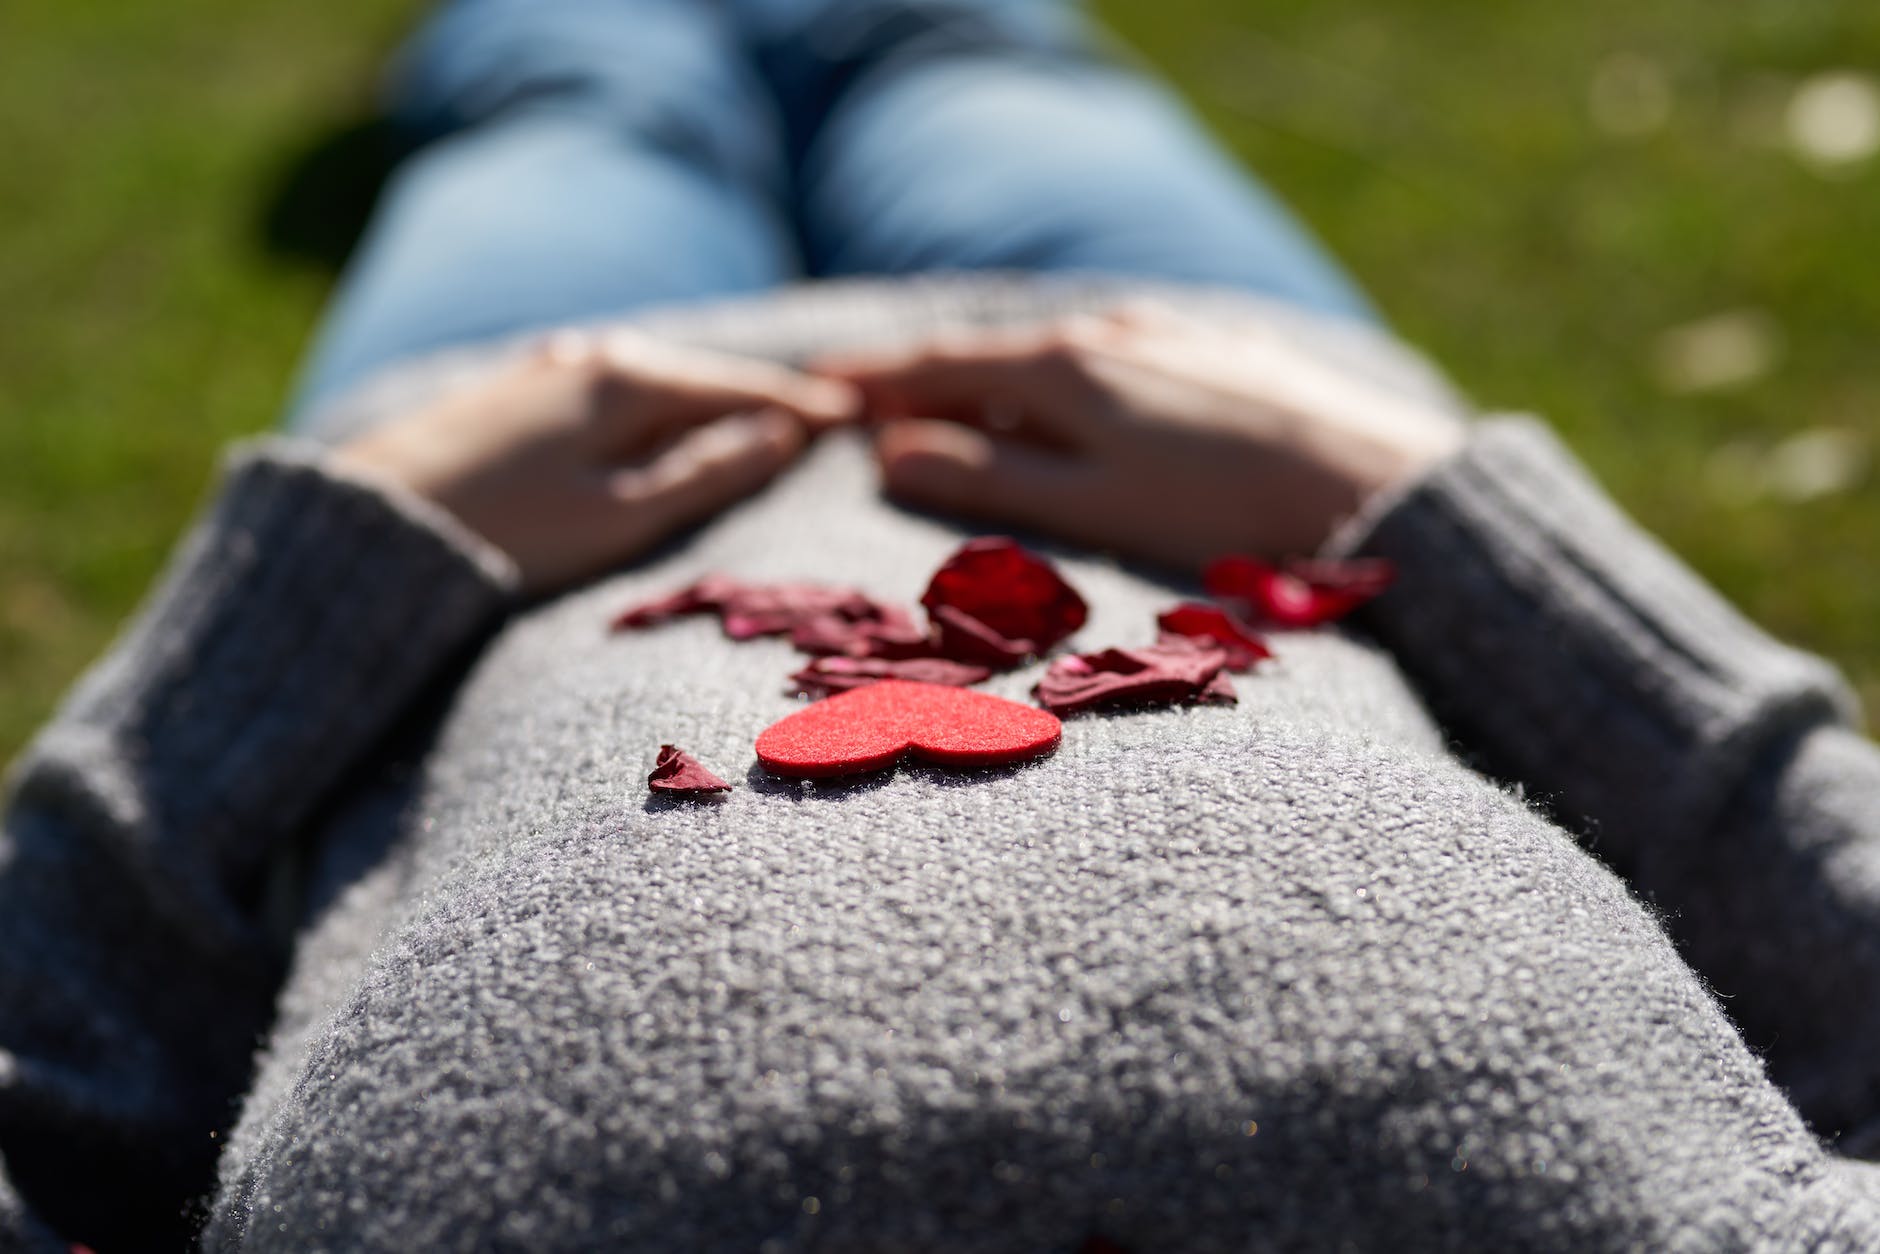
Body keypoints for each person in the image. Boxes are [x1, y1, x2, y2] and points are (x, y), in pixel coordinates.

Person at [4, 0, 1879, 1250]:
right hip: (1206, 405)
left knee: (590, 93)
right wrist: (1426, 513)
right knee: (982, 53)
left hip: (500, 469)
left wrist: (337, 558)